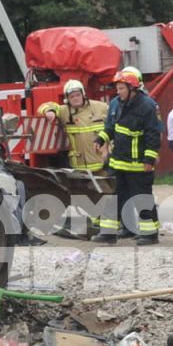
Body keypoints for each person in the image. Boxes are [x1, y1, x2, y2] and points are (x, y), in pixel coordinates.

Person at [96, 67, 161, 245]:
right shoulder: (119, 103)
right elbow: (112, 127)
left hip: (138, 164)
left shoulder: (147, 106)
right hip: (119, 162)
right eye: (117, 89)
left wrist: (149, 159)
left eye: (121, 88)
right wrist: (101, 139)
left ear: (132, 88)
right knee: (114, 197)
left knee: (142, 198)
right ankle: (109, 232)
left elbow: (153, 135)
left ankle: (150, 234)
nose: (118, 92)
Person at [38, 79, 110, 237]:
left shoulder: (101, 107)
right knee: (86, 196)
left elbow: (114, 124)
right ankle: (98, 224)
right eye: (72, 96)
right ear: (67, 99)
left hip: (99, 162)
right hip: (79, 165)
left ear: (83, 94)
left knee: (106, 193)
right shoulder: (65, 112)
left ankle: (109, 223)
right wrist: (49, 111)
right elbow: (43, 106)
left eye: (77, 95)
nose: (75, 98)